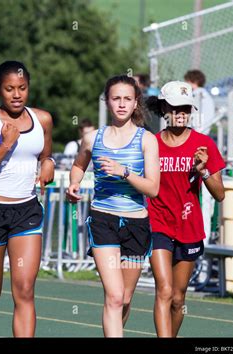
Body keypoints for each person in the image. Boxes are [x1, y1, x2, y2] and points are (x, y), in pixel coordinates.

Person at [66, 75, 160, 337]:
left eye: (127, 99)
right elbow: (78, 165)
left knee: (126, 299)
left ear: (135, 102)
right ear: (106, 101)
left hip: (135, 225)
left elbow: (153, 189)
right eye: (115, 98)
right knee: (115, 296)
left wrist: (124, 172)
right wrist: (74, 184)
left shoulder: (146, 140)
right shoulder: (92, 138)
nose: (121, 104)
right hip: (103, 220)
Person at [0, 61, 54, 337]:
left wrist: (49, 163)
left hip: (26, 211)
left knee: (25, 290)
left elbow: (45, 155)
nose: (16, 94)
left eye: (22, 88)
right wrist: (5, 145)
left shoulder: (43, 120)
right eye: (9, 89)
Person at [146, 81, 225, 337]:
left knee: (178, 299)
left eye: (186, 108)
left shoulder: (204, 145)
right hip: (157, 223)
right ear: (164, 109)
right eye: (175, 107)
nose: (181, 113)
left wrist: (203, 171)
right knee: (164, 290)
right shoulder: (151, 144)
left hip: (189, 226)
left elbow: (220, 194)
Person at [185, 70, 217, 245]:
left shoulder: (199, 96)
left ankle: (201, 242)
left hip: (199, 150)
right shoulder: (204, 96)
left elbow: (199, 125)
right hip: (199, 149)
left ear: (193, 81)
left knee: (202, 198)